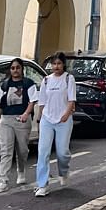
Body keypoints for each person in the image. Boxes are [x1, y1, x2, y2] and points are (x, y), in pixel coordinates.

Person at [0, 59, 37, 194]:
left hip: (22, 120)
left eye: (18, 68)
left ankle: (21, 170)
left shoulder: (28, 84)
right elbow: (0, 104)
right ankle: (3, 180)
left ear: (22, 69)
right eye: (12, 68)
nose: (15, 70)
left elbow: (32, 101)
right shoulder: (5, 85)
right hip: (6, 119)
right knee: (6, 150)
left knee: (22, 149)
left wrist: (26, 114)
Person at [34, 51, 76, 196]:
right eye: (54, 64)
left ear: (63, 64)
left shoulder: (68, 79)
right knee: (43, 152)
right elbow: (42, 102)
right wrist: (39, 119)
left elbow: (71, 100)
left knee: (62, 151)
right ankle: (42, 184)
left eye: (59, 63)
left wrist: (66, 114)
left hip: (63, 120)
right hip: (47, 119)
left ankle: (63, 172)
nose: (56, 66)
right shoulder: (46, 80)